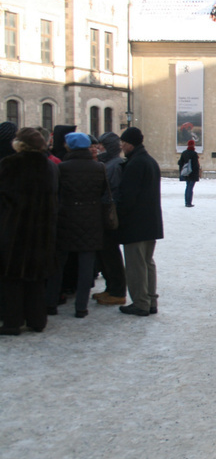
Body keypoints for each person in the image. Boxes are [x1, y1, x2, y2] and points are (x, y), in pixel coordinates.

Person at [0, 128, 58, 335]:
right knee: (36, 278)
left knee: (11, 278)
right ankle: (37, 320)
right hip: (42, 229)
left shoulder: (10, 164)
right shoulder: (49, 166)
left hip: (14, 230)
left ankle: (12, 322)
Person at [47, 132, 108, 319]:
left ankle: (51, 303)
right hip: (91, 219)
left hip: (66, 218)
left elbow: (55, 194)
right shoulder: (99, 167)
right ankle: (81, 307)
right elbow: (104, 195)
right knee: (86, 266)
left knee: (59, 264)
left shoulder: (62, 168)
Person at [117, 127, 163, 317]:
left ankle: (141, 303)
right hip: (150, 221)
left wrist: (119, 216)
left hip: (136, 222)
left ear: (130, 144)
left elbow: (128, 196)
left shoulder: (136, 163)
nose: (121, 147)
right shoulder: (149, 161)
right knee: (147, 262)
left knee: (136, 265)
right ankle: (151, 300)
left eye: (123, 144)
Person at [92, 132, 127, 306]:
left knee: (110, 253)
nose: (99, 148)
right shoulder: (108, 163)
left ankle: (117, 290)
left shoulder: (113, 165)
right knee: (105, 254)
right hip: (104, 215)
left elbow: (111, 192)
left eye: (102, 145)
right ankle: (111, 288)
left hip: (108, 216)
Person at [177, 139, 200, 207]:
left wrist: (182, 171)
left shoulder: (184, 153)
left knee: (187, 187)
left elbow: (180, 162)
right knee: (190, 188)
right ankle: (189, 203)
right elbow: (196, 165)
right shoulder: (194, 153)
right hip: (192, 173)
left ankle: (186, 202)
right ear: (193, 145)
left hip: (186, 173)